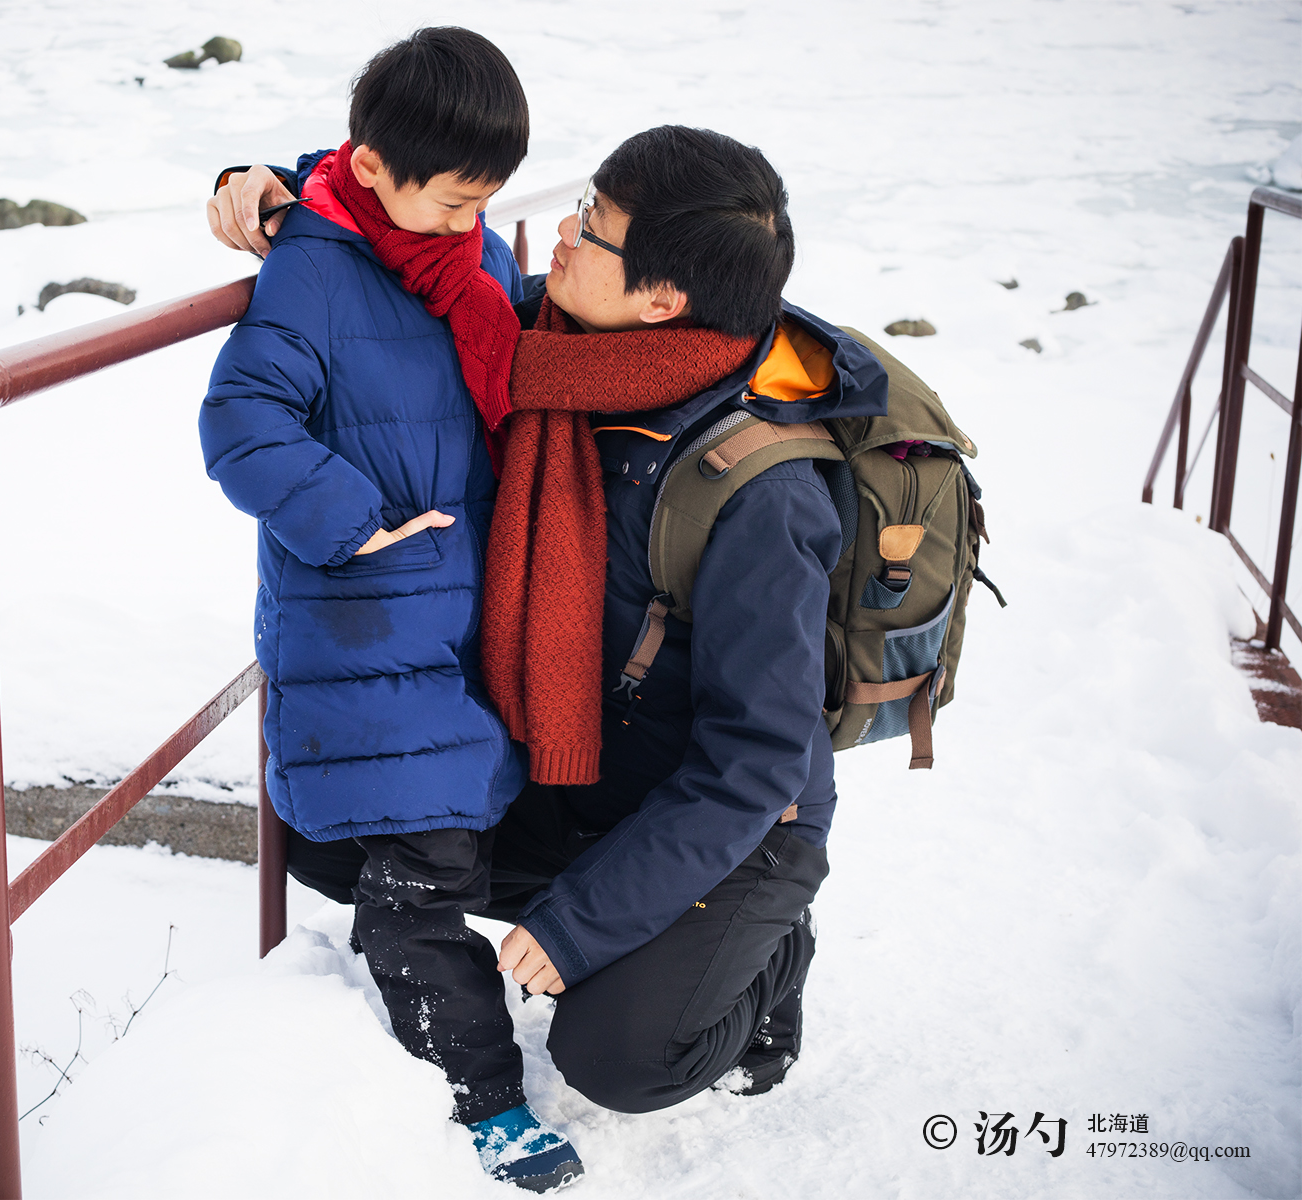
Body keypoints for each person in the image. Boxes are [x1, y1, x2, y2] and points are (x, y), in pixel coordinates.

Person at [209, 125, 890, 1118]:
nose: (559, 235)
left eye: (592, 228)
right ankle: (629, 921)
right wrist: (276, 183)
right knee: (337, 836)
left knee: (616, 1056)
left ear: (662, 299)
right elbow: (408, 189)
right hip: (580, 782)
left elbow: (755, 763)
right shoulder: (536, 350)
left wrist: (582, 927)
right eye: (582, 209)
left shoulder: (762, 490)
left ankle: (767, 956)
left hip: (736, 825)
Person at [197, 28, 586, 1193]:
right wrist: (354, 522)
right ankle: (487, 1099)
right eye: (457, 194)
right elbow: (240, 424)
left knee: (425, 843)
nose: (475, 215)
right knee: (415, 880)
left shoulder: (448, 260)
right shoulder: (313, 271)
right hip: (367, 623)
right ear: (373, 171)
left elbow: (369, 189)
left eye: (490, 195)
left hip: (451, 623)